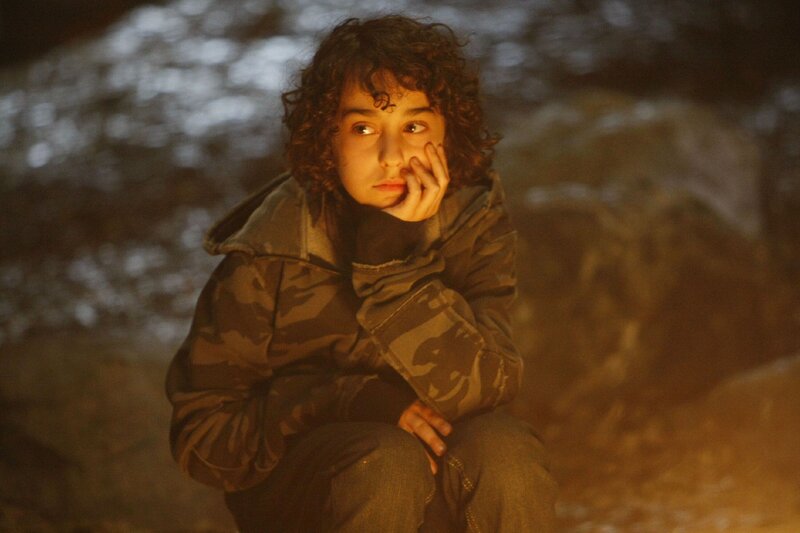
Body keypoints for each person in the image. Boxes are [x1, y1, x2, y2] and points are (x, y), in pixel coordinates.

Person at [166, 15, 557, 532]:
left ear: (448, 134)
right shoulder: (271, 251)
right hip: (317, 495)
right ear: (327, 138)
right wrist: (346, 399)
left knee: (506, 452)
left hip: (437, 476)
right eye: (364, 128)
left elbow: (488, 389)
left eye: (414, 127)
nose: (392, 158)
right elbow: (204, 442)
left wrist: (393, 269)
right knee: (386, 462)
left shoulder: (470, 221)